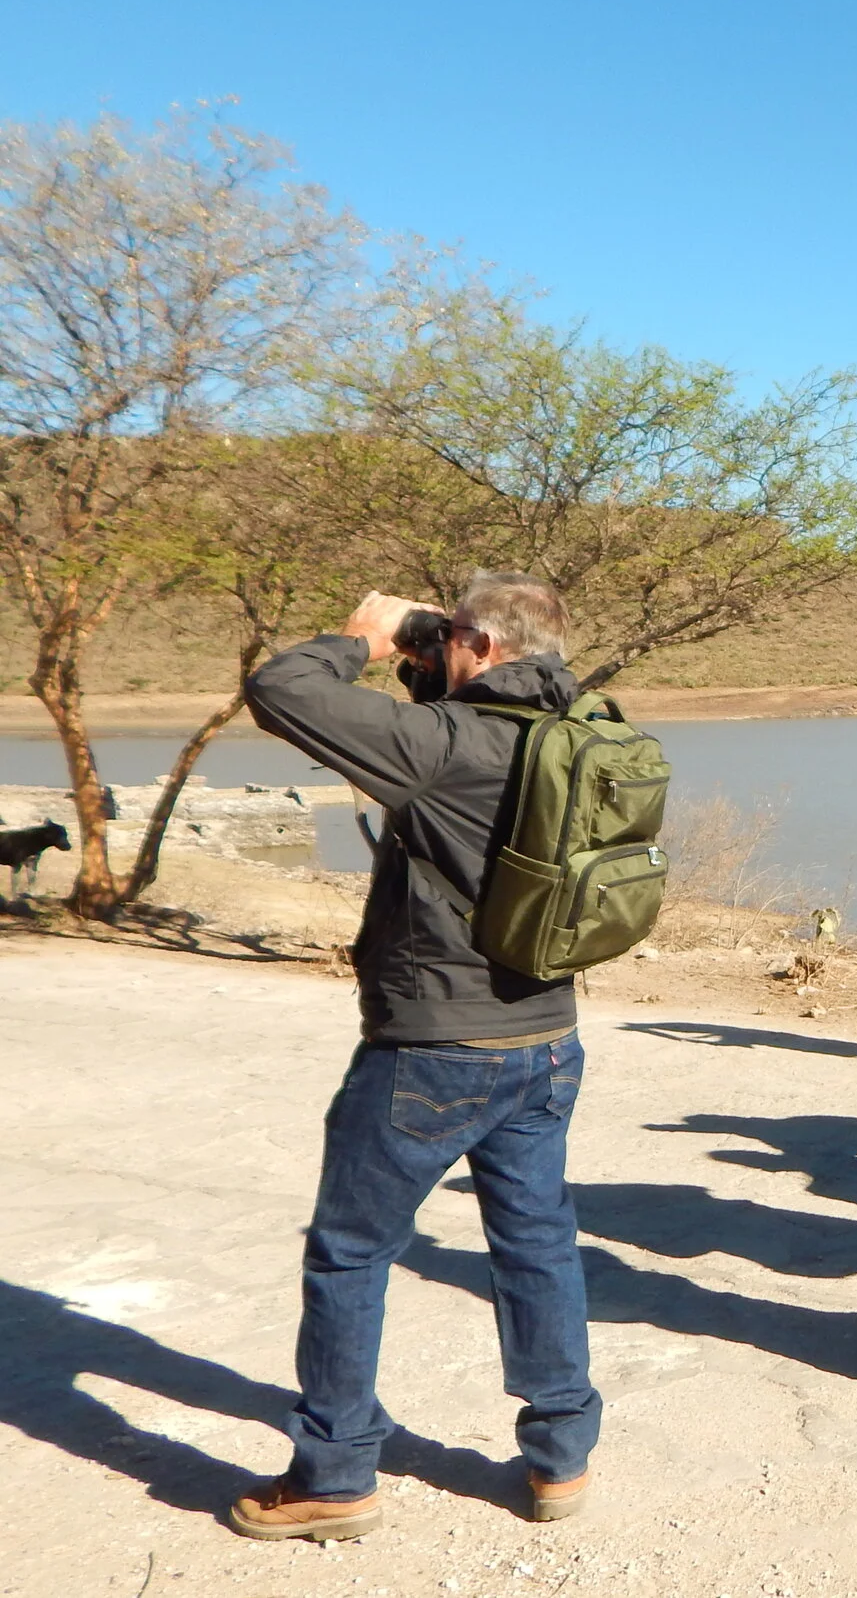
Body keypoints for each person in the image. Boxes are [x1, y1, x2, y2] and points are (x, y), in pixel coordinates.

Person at [229, 575, 603, 1543]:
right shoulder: (581, 733)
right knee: (537, 1242)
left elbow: (280, 688)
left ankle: (334, 1473)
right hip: (546, 1037)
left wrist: (362, 636)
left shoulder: (444, 745)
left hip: (434, 1047)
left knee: (351, 1252)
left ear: (483, 646)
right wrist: (435, 652)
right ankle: (560, 1455)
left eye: (455, 636)